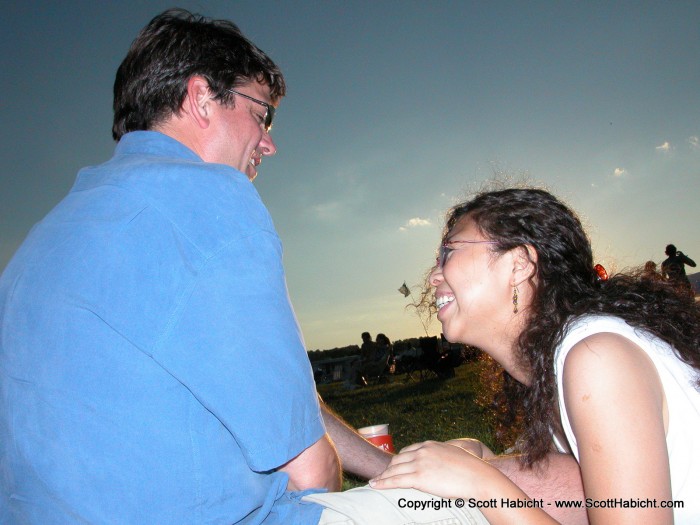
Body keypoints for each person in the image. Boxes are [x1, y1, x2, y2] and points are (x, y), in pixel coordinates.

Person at [0, 9, 389, 524]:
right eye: (263, 114)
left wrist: (388, 468)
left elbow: (293, 407)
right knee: (479, 504)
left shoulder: (42, 241)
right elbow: (310, 472)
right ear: (200, 97)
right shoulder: (212, 197)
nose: (269, 141)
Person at [369, 187, 700, 523]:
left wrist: (481, 482)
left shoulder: (597, 357)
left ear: (519, 264)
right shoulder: (558, 364)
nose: (433, 275)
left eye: (449, 252)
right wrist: (486, 459)